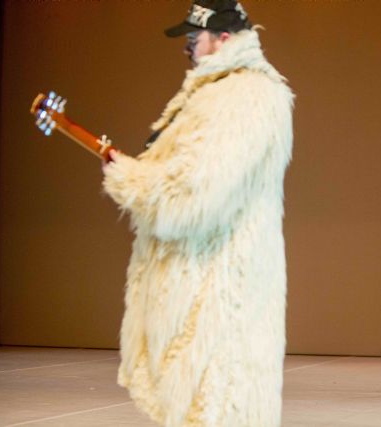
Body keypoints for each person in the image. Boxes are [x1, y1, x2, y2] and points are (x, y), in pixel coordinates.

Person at [101, 1, 293, 426]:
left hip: (218, 303)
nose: (187, 48)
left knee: (216, 407)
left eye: (194, 38)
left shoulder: (245, 95)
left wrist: (130, 180)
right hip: (208, 298)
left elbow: (193, 195)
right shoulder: (223, 93)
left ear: (224, 37)